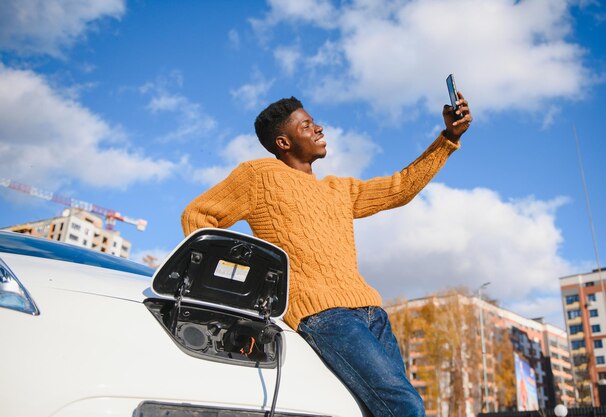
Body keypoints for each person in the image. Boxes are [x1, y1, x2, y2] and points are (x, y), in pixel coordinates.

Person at [181, 93, 472, 417]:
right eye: (306, 125)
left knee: (372, 410)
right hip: (324, 315)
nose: (319, 128)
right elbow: (198, 216)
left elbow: (400, 187)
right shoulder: (258, 176)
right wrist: (250, 283)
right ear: (283, 142)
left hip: (372, 312)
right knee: (406, 407)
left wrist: (448, 138)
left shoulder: (339, 189)